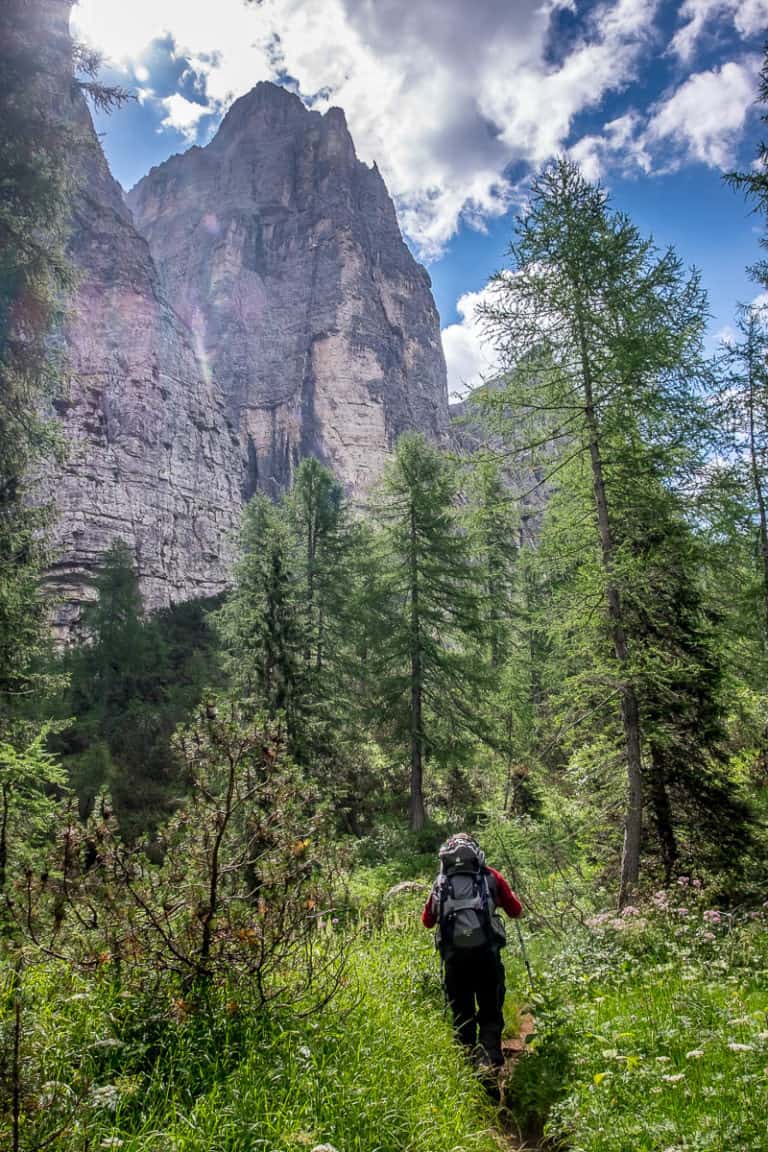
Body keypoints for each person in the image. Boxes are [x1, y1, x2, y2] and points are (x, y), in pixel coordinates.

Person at [422, 832, 522, 1070]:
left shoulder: (441, 882)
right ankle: (489, 1061)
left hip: (455, 960)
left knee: (461, 1012)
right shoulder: (491, 877)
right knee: (490, 1009)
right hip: (487, 956)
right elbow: (516, 910)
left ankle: (466, 1068)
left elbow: (427, 921)